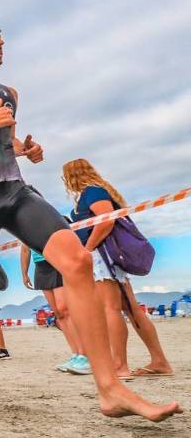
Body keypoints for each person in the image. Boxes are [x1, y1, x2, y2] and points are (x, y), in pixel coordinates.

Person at [0, 22, 180, 420]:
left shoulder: (10, 95)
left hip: (15, 192)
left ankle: (109, 389)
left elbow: (1, 144)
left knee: (77, 261)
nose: (0, 43)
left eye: (1, 38)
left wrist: (25, 149)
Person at [63, 158, 174, 379]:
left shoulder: (92, 192)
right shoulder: (99, 190)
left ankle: (119, 365)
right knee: (130, 309)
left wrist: (87, 249)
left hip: (103, 256)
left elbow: (105, 221)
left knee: (111, 309)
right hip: (106, 256)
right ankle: (159, 360)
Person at [21, 243, 90, 374]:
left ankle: (85, 355)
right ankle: (75, 355)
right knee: (58, 313)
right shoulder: (21, 224)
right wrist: (24, 273)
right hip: (40, 266)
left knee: (64, 308)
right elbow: (25, 248)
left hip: (56, 260)